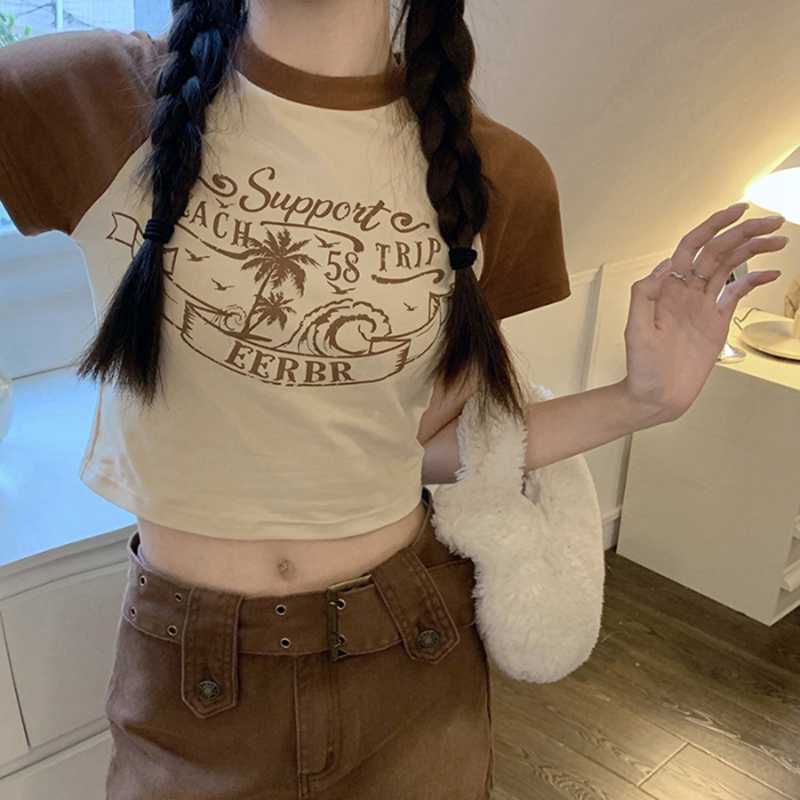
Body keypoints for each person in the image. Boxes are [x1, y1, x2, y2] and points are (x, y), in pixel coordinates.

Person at [0, 0, 788, 797]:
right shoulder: (92, 94)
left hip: (408, 657)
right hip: (189, 681)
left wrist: (642, 401)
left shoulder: (492, 174)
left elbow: (424, 449)